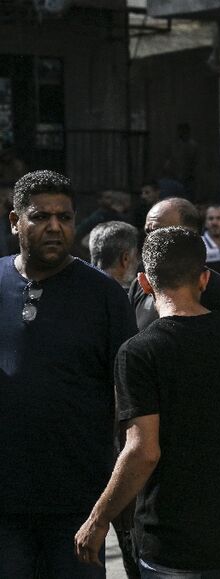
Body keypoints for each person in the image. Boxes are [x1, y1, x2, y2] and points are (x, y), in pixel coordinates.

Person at [73, 226, 220, 576]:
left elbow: (143, 451)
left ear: (145, 283)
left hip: (170, 538)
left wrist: (98, 519)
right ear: (205, 279)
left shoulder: (138, 353)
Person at [0, 170, 137, 577]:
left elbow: (129, 399)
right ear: (14, 222)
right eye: (41, 216)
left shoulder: (104, 295)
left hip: (77, 504)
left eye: (65, 217)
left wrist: (118, 501)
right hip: (4, 502)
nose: (55, 227)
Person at [130, 198, 220, 331]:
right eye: (148, 232)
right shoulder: (140, 285)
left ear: (189, 234)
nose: (150, 239)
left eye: (158, 231)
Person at [89, 220, 140, 289]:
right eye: (136, 256)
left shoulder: (75, 287)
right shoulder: (127, 297)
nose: (138, 262)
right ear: (125, 259)